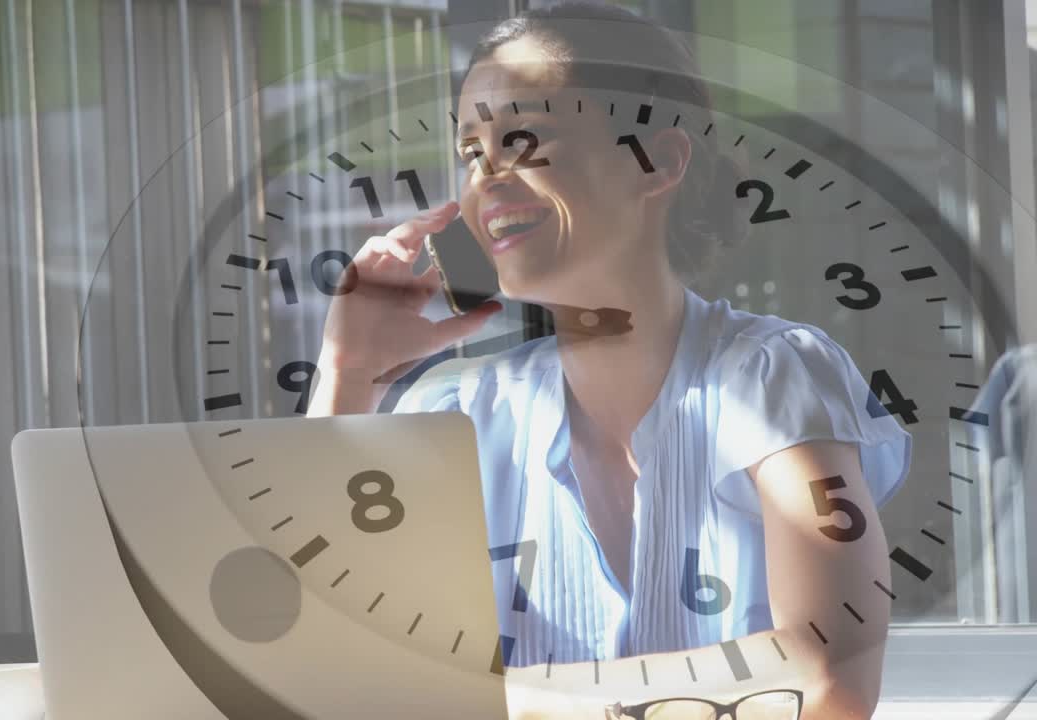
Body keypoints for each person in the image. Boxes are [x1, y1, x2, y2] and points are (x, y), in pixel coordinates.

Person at [308, 4, 911, 717]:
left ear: (656, 160)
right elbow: (323, 658)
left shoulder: (773, 377)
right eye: (473, 150)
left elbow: (826, 678)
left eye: (523, 138)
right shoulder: (454, 411)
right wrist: (348, 375)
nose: (487, 178)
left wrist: (509, 700)